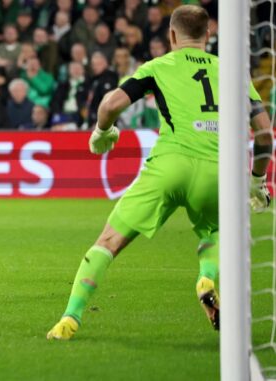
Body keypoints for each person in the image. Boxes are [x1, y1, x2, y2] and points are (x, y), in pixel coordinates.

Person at [48, 5, 273, 340]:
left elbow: (109, 105)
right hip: (220, 171)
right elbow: (265, 134)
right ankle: (206, 278)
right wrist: (256, 180)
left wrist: (102, 133)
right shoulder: (233, 72)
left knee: (108, 242)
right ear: (208, 36)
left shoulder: (158, 66)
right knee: (214, 233)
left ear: (171, 35)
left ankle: (70, 319)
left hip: (170, 165)